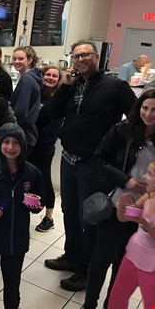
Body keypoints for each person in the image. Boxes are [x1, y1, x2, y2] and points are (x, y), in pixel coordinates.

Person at [42, 40, 136, 292]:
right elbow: (52, 113)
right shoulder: (73, 85)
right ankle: (71, 257)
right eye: (76, 56)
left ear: (96, 57)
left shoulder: (115, 86)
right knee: (69, 211)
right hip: (68, 158)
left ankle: (85, 272)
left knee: (90, 218)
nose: (81, 59)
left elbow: (135, 118)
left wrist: (115, 147)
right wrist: (64, 86)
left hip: (93, 164)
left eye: (86, 55)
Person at [81, 89, 155, 309]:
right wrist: (126, 180)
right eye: (145, 108)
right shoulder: (123, 130)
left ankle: (110, 304)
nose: (148, 114)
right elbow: (99, 159)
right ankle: (89, 303)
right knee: (101, 257)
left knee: (122, 262)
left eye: (154, 110)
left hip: (144, 210)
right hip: (117, 203)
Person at [0, 123, 44, 309]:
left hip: (17, 240)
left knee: (12, 285)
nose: (11, 147)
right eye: (6, 142)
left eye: (16, 142)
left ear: (23, 145)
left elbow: (40, 200)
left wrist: (35, 206)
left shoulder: (32, 173)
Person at [109, 160, 155, 309]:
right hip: (133, 255)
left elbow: (145, 225)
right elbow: (124, 217)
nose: (144, 176)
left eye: (150, 174)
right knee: (116, 298)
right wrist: (122, 206)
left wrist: (145, 223)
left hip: (152, 266)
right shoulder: (149, 196)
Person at [29, 65, 63, 233]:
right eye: (47, 74)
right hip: (29, 145)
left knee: (45, 180)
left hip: (44, 148)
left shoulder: (59, 100)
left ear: (59, 80)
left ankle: (49, 217)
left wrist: (34, 140)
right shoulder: (36, 94)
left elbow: (53, 128)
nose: (50, 78)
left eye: (54, 76)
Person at [10, 46, 42, 155]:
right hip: (27, 134)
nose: (16, 61)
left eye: (20, 59)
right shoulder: (32, 77)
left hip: (22, 134)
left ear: (30, 60)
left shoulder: (27, 79)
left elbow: (20, 112)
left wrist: (9, 130)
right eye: (14, 58)